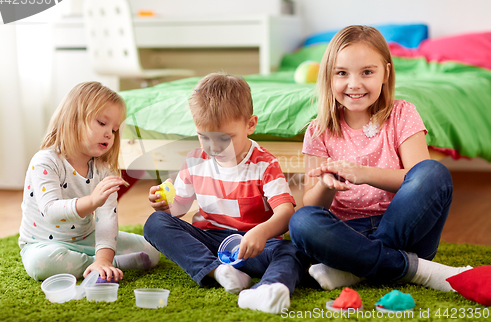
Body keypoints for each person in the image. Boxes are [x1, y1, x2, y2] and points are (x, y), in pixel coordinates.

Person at [288, 25, 471, 292]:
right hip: (348, 235)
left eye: (367, 72)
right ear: (328, 76)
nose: (354, 84)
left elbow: (417, 177)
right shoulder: (318, 130)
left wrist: (361, 173)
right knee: (302, 221)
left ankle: (356, 268)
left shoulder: (402, 114)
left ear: (385, 72)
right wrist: (326, 185)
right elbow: (311, 204)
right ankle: (412, 269)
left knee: (434, 172)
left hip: (407, 230)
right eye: (342, 73)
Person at [143, 73, 308, 314]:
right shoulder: (194, 160)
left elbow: (286, 212)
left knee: (292, 251)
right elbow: (177, 209)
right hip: (208, 243)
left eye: (225, 138)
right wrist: (163, 206)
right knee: (155, 223)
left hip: (253, 245)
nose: (213, 147)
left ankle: (271, 289)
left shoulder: (265, 164)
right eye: (204, 137)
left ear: (250, 124)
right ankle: (217, 271)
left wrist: (261, 232)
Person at [19, 82, 160, 282]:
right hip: (43, 245)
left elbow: (107, 220)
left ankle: (101, 264)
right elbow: (51, 212)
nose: (109, 134)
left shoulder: (104, 170)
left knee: (151, 250)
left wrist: (104, 258)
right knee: (41, 265)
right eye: (102, 123)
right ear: (73, 119)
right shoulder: (45, 162)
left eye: (114, 129)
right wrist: (92, 201)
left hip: (86, 237)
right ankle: (114, 264)